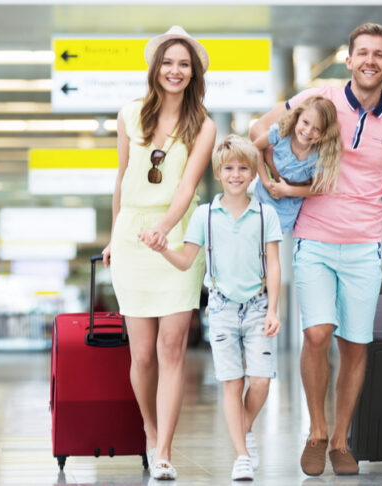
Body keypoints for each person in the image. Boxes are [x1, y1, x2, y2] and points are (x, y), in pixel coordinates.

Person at [250, 23, 382, 476]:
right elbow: (261, 129)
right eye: (362, 53)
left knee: (354, 344)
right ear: (348, 60)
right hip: (313, 237)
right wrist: (279, 180)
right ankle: (316, 431)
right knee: (317, 333)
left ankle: (339, 440)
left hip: (364, 244)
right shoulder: (321, 98)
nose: (370, 60)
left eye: (379, 55)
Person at [101, 25, 216, 481]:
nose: (175, 71)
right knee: (142, 354)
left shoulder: (204, 125)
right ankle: (149, 429)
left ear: (194, 73)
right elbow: (121, 179)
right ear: (156, 68)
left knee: (172, 349)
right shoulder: (130, 114)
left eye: (183, 64)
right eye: (168, 63)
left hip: (176, 239)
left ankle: (164, 450)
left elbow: (187, 187)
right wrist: (115, 234)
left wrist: (164, 230)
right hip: (132, 237)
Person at [143, 134, 282, 481]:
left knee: (262, 382)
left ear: (253, 174)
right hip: (220, 309)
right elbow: (187, 260)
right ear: (219, 173)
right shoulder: (204, 215)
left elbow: (275, 265)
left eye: (243, 168)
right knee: (232, 383)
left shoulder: (266, 214)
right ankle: (242, 455)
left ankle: (242, 427)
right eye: (229, 168)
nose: (236, 174)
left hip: (257, 306)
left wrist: (274, 310)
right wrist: (162, 250)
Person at [252, 95, 342, 233]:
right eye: (305, 122)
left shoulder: (319, 156)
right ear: (297, 117)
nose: (308, 131)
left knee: (273, 242)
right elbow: (256, 148)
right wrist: (265, 181)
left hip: (288, 209)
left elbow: (318, 189)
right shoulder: (281, 132)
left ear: (325, 133)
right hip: (262, 197)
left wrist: (288, 190)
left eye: (317, 129)